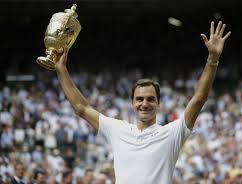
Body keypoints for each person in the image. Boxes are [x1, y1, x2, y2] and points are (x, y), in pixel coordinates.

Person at [53, 21, 231, 184]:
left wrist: (212, 59)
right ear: (132, 103)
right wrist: (61, 69)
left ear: (159, 103)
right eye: (139, 99)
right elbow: (81, 108)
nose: (144, 103)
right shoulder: (117, 130)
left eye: (150, 99)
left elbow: (199, 98)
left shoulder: (172, 134)